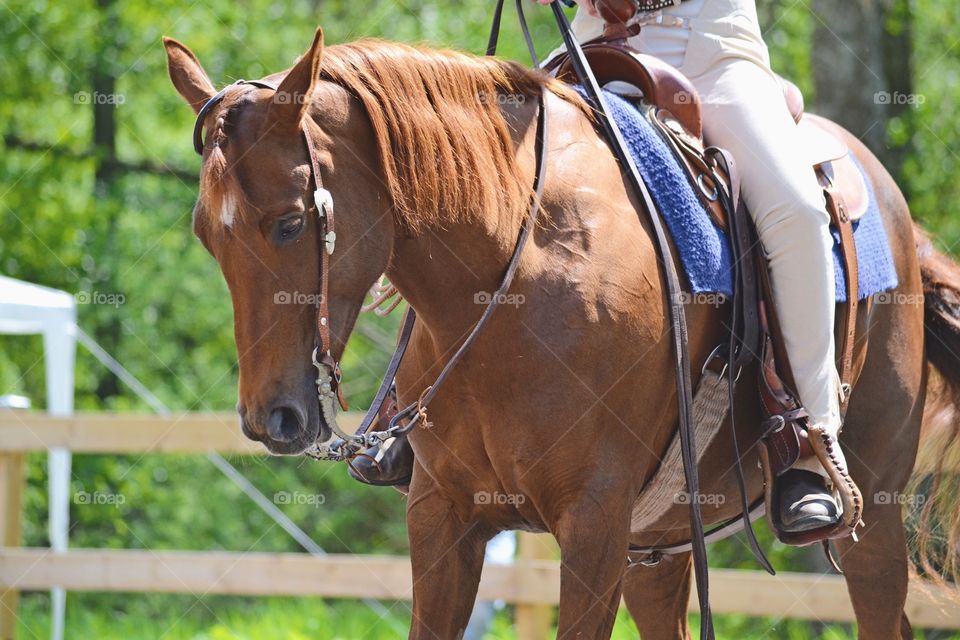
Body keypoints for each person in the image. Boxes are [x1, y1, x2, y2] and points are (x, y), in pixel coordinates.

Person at [362, 0, 846, 534]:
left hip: (709, 50)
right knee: (464, 175)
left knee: (795, 211)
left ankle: (803, 444)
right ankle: (409, 410)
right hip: (593, 49)